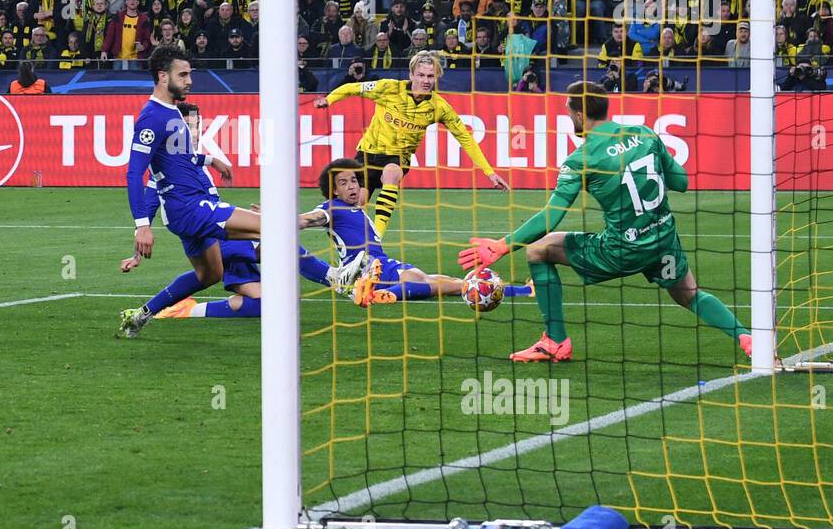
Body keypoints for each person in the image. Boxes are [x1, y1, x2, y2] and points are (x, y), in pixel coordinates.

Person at [458, 82, 752, 363]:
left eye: (568, 110)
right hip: (663, 239)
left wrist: (503, 245)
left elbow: (552, 215)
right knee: (690, 295)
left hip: (622, 249)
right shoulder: (646, 133)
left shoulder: (581, 159)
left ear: (579, 114)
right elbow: (682, 182)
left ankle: (555, 342)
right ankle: (747, 339)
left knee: (538, 249)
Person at [116, 46, 319, 338]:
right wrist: (142, 227)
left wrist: (212, 160)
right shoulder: (152, 117)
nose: (189, 81)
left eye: (190, 74)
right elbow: (135, 172)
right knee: (273, 227)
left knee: (210, 274)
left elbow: (179, 160)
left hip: (186, 210)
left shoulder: (171, 112)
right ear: (163, 76)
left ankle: (141, 315)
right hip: (190, 207)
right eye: (182, 75)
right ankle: (326, 224)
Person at [312, 50, 508, 238]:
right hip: (368, 152)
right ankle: (352, 250)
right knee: (357, 204)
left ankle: (377, 236)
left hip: (398, 157)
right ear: (411, 74)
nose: (425, 81)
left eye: (430, 76)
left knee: (391, 172)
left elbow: (465, 138)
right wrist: (329, 100)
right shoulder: (389, 88)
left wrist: (489, 172)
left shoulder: (439, 107)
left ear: (436, 77)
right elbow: (352, 88)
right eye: (421, 75)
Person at [316, 158, 533, 307]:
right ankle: (387, 294)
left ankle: (520, 290)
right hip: (371, 268)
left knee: (442, 282)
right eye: (344, 183)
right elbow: (310, 218)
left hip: (377, 265)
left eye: (354, 181)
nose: (352, 186)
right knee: (427, 283)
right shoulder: (332, 208)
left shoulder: (350, 209)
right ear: (333, 190)